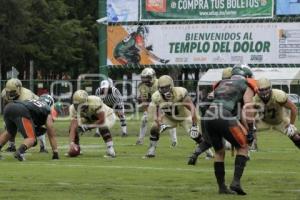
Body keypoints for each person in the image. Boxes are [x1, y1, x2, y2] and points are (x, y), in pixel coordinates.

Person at [202, 66, 256, 195]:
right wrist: (250, 130)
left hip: (209, 115)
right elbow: (247, 108)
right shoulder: (246, 84)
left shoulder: (221, 83)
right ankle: (236, 182)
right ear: (247, 76)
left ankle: (222, 187)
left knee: (219, 152)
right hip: (223, 114)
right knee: (243, 147)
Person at [144, 75, 213, 158]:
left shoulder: (180, 93)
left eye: (166, 87)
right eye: (162, 88)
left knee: (194, 134)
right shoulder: (156, 96)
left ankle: (208, 152)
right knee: (154, 127)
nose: (164, 90)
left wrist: (194, 125)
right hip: (170, 118)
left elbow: (192, 108)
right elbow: (156, 113)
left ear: (171, 85)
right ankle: (151, 150)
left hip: (185, 117)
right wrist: (159, 122)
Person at [0, 94, 59, 161]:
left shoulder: (32, 102)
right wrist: (55, 153)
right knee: (31, 138)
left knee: (10, 132)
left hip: (9, 107)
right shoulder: (47, 109)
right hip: (21, 110)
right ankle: (20, 152)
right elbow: (51, 134)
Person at [1, 78, 48, 153]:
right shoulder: (4, 93)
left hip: (34, 110)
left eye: (13, 92)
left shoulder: (26, 96)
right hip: (18, 109)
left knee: (36, 127)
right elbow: (6, 103)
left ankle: (43, 147)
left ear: (19, 89)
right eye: (8, 92)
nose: (10, 94)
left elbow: (29, 111)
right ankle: (11, 146)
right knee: (7, 126)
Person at [253, 77, 300, 149]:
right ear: (257, 90)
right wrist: (251, 125)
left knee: (296, 137)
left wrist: (291, 125)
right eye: (261, 90)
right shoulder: (254, 99)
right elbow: (251, 114)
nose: (264, 92)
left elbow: (293, 108)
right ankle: (253, 147)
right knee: (247, 130)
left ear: (270, 88)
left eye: (266, 89)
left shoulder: (278, 95)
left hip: (280, 121)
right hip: (263, 121)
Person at [68, 90, 116, 158]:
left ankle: (110, 150)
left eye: (80, 104)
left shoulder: (94, 101)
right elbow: (73, 126)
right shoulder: (72, 108)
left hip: (108, 116)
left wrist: (87, 127)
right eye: (76, 104)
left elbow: (102, 120)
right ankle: (76, 148)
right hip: (90, 118)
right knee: (73, 127)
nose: (78, 106)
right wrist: (71, 143)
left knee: (102, 125)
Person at [136, 68, 177, 146]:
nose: (145, 80)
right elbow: (144, 100)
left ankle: (174, 141)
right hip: (153, 105)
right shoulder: (141, 86)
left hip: (165, 103)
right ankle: (140, 140)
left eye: (147, 77)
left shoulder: (160, 83)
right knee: (144, 120)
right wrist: (146, 111)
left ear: (153, 76)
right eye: (144, 77)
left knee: (170, 120)